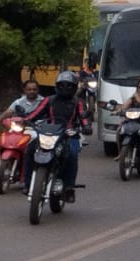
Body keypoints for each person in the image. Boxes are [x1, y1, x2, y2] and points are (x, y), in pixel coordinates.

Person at [21, 70, 92, 202]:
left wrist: (86, 126)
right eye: (62, 85)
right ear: (57, 86)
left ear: (74, 87)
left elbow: (83, 116)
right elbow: (36, 113)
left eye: (69, 86)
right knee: (30, 149)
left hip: (69, 134)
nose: (65, 88)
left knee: (72, 154)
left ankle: (69, 187)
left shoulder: (78, 102)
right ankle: (27, 183)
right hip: (50, 133)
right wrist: (24, 120)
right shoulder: (49, 100)